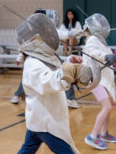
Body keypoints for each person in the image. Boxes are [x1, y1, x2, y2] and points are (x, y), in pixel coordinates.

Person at [15, 11, 100, 154]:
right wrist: (70, 71)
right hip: (47, 124)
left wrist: (69, 62)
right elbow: (49, 80)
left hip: (37, 120)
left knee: (27, 149)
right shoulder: (32, 63)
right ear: (36, 41)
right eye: (46, 35)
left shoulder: (42, 58)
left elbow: (54, 70)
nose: (50, 37)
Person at [82, 13, 116, 150]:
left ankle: (104, 134)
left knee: (108, 107)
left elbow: (106, 56)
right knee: (107, 107)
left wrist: (115, 58)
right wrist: (106, 56)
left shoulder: (101, 42)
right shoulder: (92, 39)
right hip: (95, 79)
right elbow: (94, 53)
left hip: (102, 79)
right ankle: (92, 136)